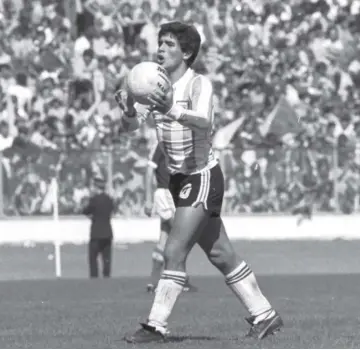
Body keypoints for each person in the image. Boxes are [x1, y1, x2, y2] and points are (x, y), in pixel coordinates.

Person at [115, 21, 283, 343]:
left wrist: (172, 109)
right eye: (160, 43)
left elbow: (205, 122)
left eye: (169, 44)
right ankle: (265, 315)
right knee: (221, 254)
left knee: (174, 248)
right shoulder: (155, 85)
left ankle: (155, 326)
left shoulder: (197, 84)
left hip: (202, 176)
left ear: (187, 52)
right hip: (181, 179)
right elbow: (132, 128)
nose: (160, 49)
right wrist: (127, 114)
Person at [145, 144, 198, 293]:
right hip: (166, 193)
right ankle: (177, 279)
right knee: (181, 237)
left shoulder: (180, 142)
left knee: (164, 237)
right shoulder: (163, 144)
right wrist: (148, 199)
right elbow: (149, 171)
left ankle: (153, 281)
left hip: (174, 193)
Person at [83, 177, 115, 278]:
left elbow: (86, 211)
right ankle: (106, 276)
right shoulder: (109, 200)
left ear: (96, 187)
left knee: (93, 257)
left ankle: (94, 277)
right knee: (106, 258)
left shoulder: (94, 200)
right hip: (107, 232)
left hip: (96, 232)